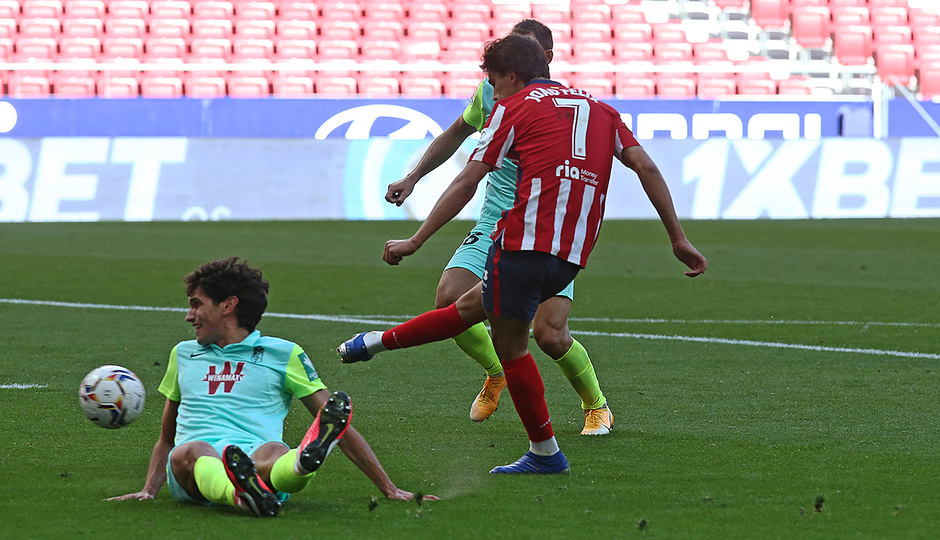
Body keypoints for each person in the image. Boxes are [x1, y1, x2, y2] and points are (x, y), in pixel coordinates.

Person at [339, 35, 707, 474]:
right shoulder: (599, 109)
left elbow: (465, 182)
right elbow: (645, 166)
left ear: (513, 75)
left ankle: (559, 438)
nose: (491, 92)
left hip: (524, 238)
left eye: (494, 81)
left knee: (529, 340)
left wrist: (416, 240)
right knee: (462, 303)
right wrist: (677, 238)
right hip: (568, 247)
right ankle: (379, 346)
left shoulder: (513, 107)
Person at [385, 19, 613, 436]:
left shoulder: (569, 107)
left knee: (550, 334)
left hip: (544, 227)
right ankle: (497, 371)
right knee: (449, 299)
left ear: (545, 58)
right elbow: (457, 134)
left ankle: (596, 404)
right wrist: (414, 176)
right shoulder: (492, 92)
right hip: (495, 220)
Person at [108, 257, 436, 516]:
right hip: (192, 471)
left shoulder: (283, 354)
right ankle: (247, 490)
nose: (189, 315)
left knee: (276, 452)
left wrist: (389, 488)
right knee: (190, 451)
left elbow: (336, 422)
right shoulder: (183, 354)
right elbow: (168, 438)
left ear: (227, 306)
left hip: (256, 461)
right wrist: (148, 489)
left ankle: (289, 471)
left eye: (197, 304)